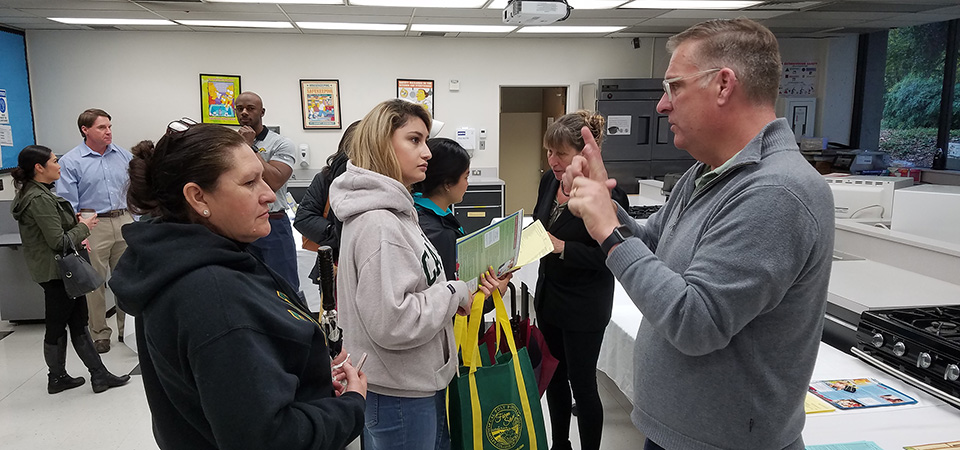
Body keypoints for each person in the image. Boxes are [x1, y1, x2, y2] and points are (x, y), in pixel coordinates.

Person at [563, 18, 835, 450]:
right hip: (678, 433)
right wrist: (603, 202)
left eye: (674, 87)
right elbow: (655, 242)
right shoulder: (707, 171)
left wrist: (609, 231)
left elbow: (696, 322)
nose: (661, 105)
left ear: (724, 85)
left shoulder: (777, 192)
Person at [109, 121, 366, 449]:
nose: (269, 194)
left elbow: (230, 386)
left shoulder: (187, 260)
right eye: (249, 182)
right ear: (197, 196)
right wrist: (350, 406)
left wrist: (307, 372)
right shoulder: (213, 295)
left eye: (262, 176)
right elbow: (268, 438)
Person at [329, 99, 499, 450]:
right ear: (381, 144)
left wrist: (464, 291)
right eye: (414, 140)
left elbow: (422, 285)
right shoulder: (380, 223)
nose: (427, 153)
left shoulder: (395, 212)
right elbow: (396, 322)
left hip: (409, 384)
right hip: (399, 394)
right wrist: (454, 293)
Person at [532, 111, 628, 450]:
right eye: (548, 152)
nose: (553, 161)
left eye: (561, 154)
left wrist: (563, 248)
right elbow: (540, 225)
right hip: (549, 299)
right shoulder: (549, 182)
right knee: (554, 379)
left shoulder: (606, 196)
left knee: (583, 385)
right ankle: (560, 443)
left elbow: (612, 256)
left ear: (584, 154)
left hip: (584, 306)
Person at [10, 145, 131, 394]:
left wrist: (73, 223)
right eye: (54, 161)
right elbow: (59, 242)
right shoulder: (39, 199)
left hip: (58, 270)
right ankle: (58, 377)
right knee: (58, 325)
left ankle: (97, 375)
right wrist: (84, 226)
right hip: (57, 272)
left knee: (77, 322)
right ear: (39, 168)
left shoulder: (37, 193)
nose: (59, 165)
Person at [56, 108, 133, 353]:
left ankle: (127, 330)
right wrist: (79, 232)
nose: (108, 132)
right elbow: (67, 202)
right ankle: (100, 333)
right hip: (92, 224)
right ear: (85, 130)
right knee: (95, 282)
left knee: (127, 279)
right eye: (102, 127)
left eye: (109, 126)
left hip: (124, 220)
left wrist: (138, 220)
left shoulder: (123, 155)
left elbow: (135, 190)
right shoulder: (71, 161)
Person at [234, 91, 300, 290]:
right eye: (239, 108)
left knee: (284, 286)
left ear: (262, 112)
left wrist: (249, 147)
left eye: (250, 108)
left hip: (272, 222)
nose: (244, 113)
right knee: (246, 286)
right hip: (239, 223)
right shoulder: (227, 144)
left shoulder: (280, 143)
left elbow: (275, 180)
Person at [294, 120, 360, 275]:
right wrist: (340, 235)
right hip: (334, 262)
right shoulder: (326, 178)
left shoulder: (386, 179)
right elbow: (303, 218)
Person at [411, 137, 471, 282]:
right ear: (448, 184)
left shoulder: (417, 207)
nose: (467, 184)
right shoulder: (438, 233)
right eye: (466, 177)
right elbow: (453, 298)